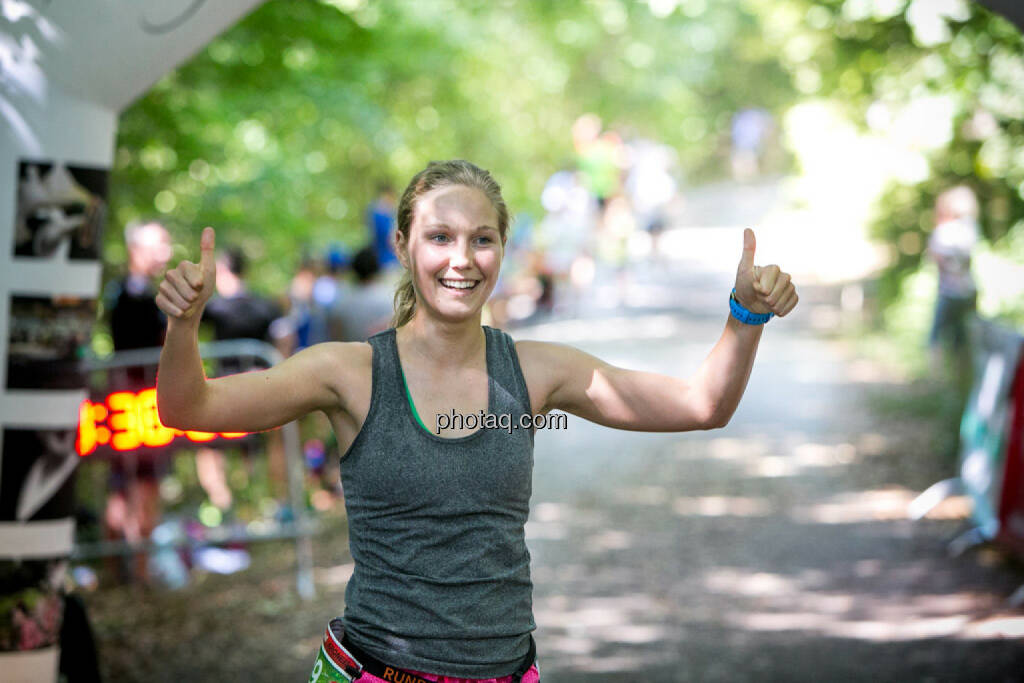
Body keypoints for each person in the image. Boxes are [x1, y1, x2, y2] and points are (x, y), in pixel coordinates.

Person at [154, 160, 798, 683]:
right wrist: (183, 325)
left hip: (505, 673)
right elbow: (190, 408)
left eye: (480, 239)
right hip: (375, 671)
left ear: (501, 250)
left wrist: (745, 315)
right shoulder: (346, 372)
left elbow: (700, 405)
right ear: (402, 245)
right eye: (440, 237)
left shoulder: (538, 370)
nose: (461, 259)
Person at [103, 219, 172, 582]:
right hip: (137, 406)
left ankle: (128, 571)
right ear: (136, 249)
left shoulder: (130, 292)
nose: (166, 253)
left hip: (136, 402)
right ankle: (133, 572)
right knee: (137, 483)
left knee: (132, 482)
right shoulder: (130, 294)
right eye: (158, 245)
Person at [927, 185, 980, 366]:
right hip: (968, 290)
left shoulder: (943, 232)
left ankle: (938, 379)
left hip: (949, 291)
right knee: (962, 338)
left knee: (935, 337)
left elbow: (936, 259)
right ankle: (961, 378)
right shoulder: (970, 228)